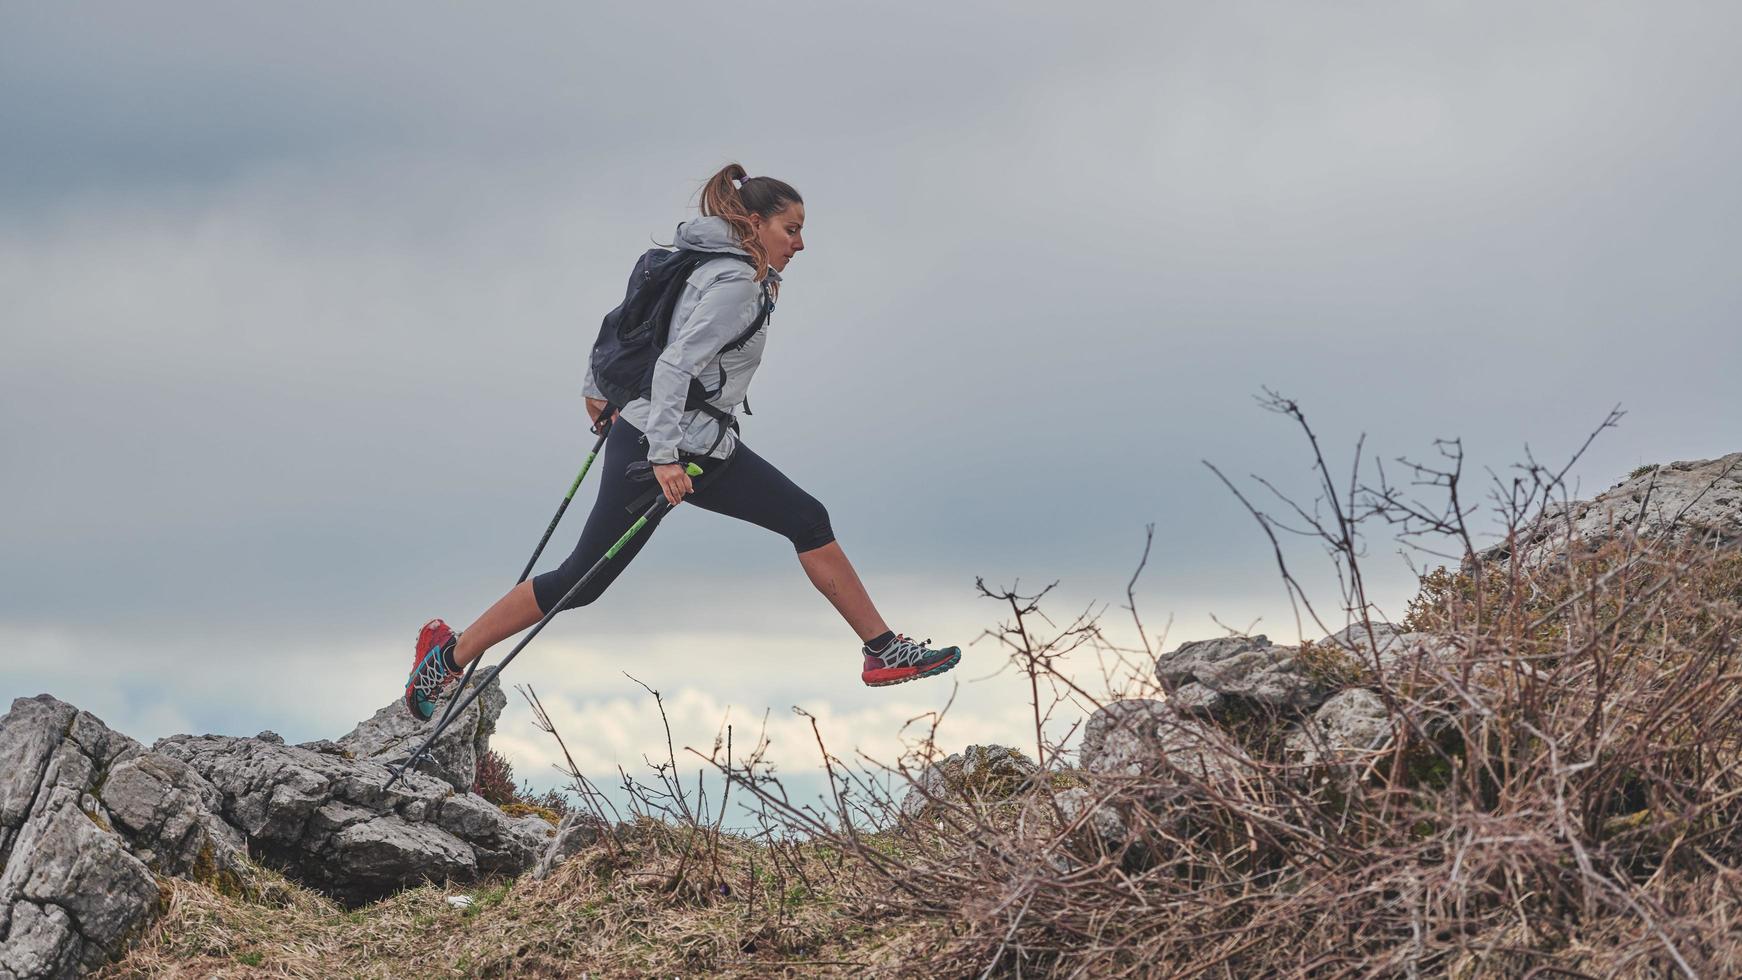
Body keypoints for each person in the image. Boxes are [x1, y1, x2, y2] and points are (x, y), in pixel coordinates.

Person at [402, 163, 961, 720]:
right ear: (755, 223)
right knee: (580, 580)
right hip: (661, 447)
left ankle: (883, 651)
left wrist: (599, 389)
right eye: (791, 228)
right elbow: (674, 364)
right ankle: (446, 659)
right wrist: (662, 454)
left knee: (807, 519)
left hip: (700, 443)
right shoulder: (735, 282)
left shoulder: (712, 265)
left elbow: (629, 318)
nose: (801, 242)